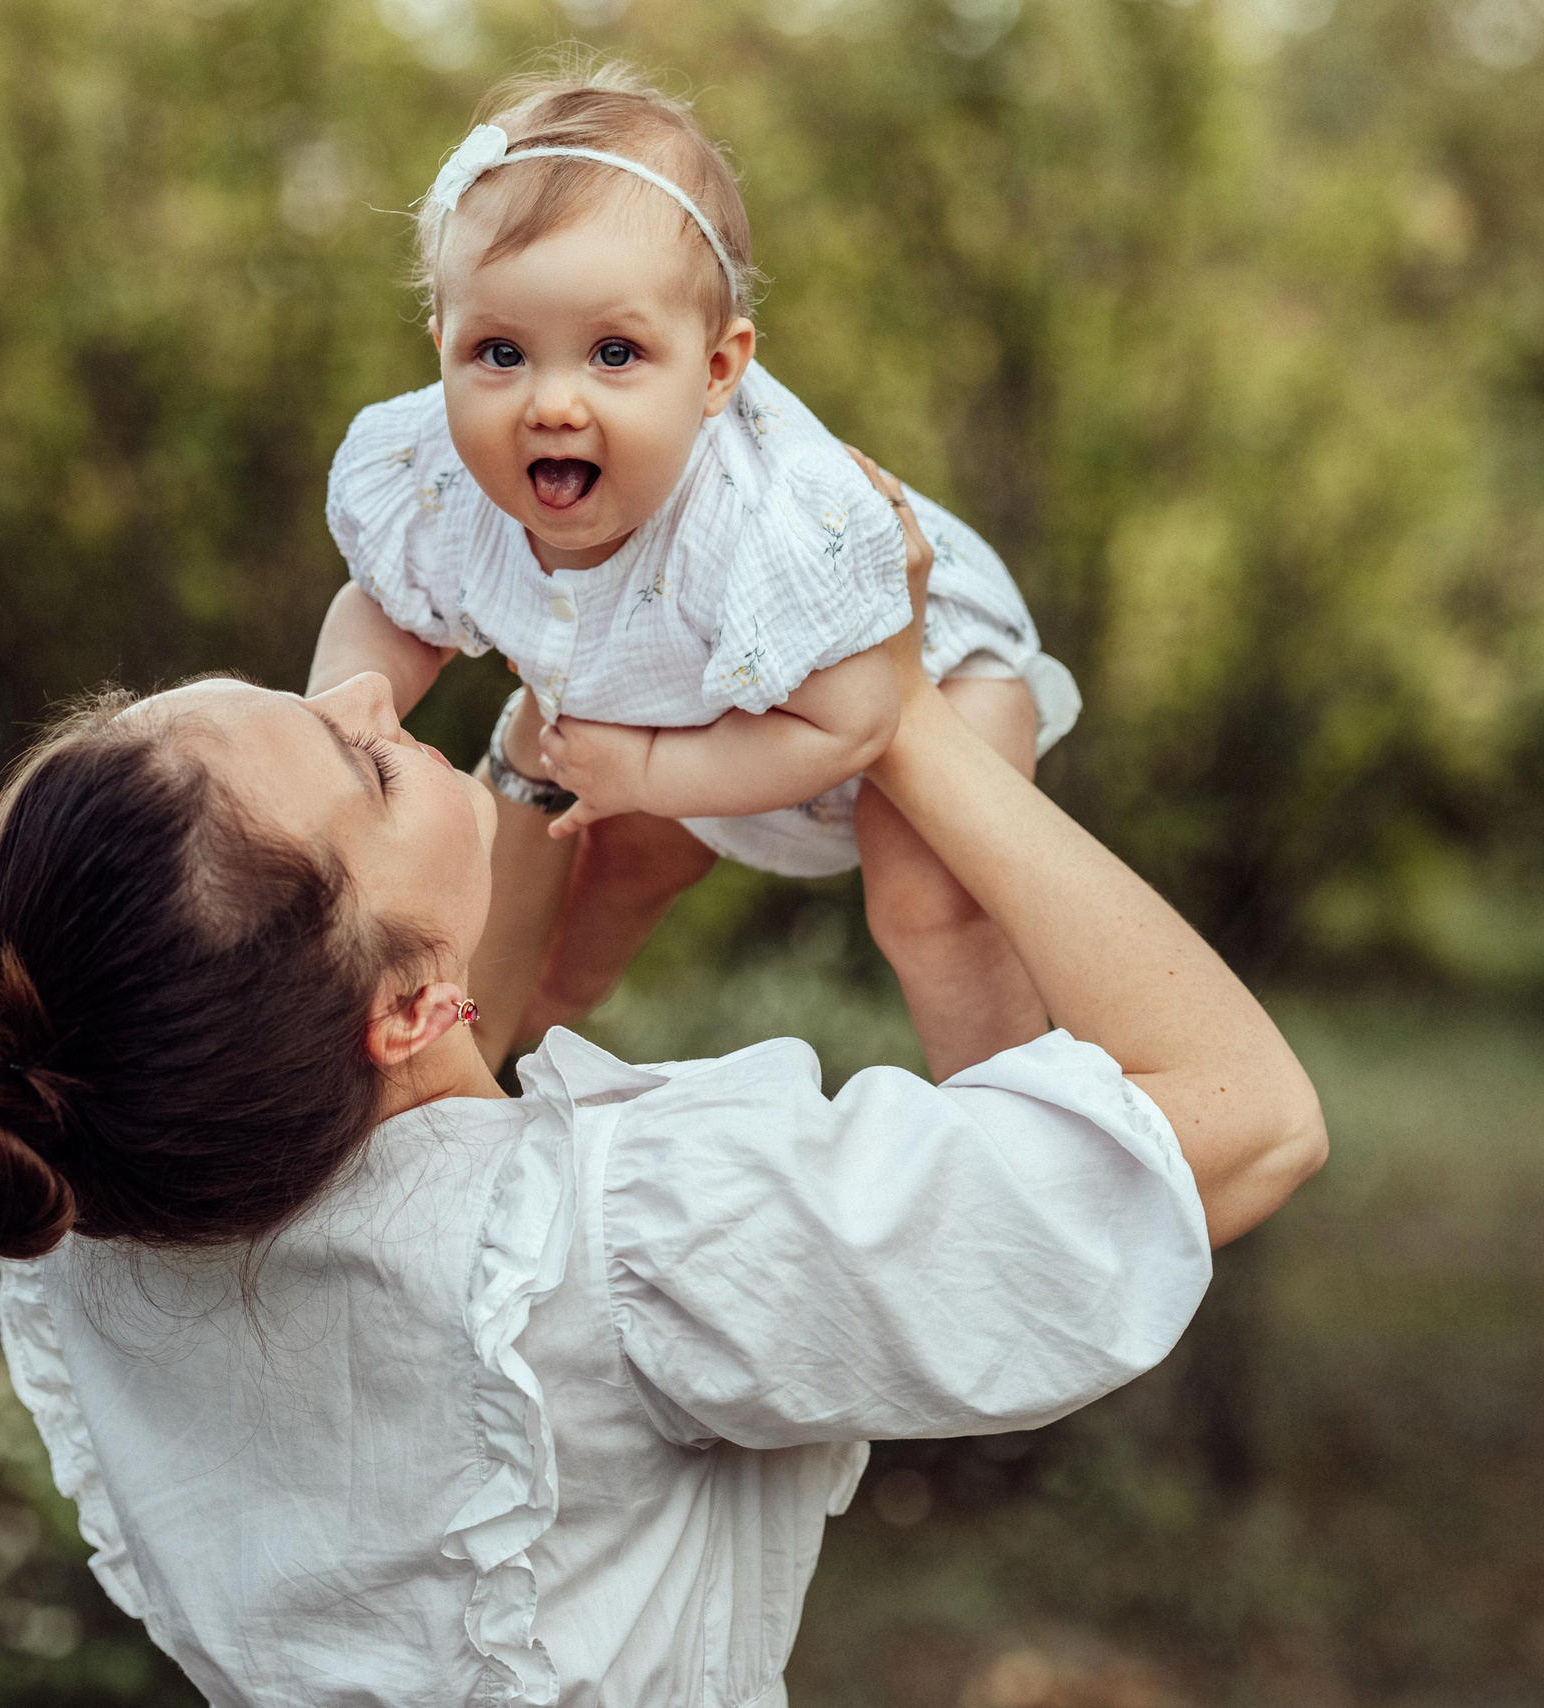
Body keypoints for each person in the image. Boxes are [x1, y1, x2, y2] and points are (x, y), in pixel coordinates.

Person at [0, 459, 1327, 1706]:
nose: (368, 698)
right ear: (403, 1009)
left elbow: (479, 1050)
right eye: (361, 767)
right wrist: (902, 721)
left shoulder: (105, 1197)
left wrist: (548, 744)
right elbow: (1246, 1124)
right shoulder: (638, 1242)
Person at [310, 59, 1081, 1079]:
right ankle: (496, 1058)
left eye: (614, 354)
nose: (550, 402)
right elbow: (387, 606)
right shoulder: (442, 483)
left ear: (717, 370)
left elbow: (857, 717)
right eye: (500, 352)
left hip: (915, 679)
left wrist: (648, 773)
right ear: (442, 341)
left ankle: (1010, 1132)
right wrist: (345, 707)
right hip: (707, 724)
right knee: (601, 879)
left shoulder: (758, 523)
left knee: (931, 904)